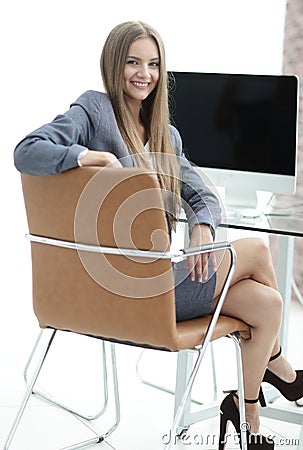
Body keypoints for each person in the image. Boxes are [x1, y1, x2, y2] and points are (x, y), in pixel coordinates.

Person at [14, 20, 303, 449]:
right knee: (259, 250)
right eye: (132, 62)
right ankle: (281, 372)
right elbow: (27, 150)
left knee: (268, 303)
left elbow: (202, 192)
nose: (143, 74)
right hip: (129, 288)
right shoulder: (93, 110)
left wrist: (203, 228)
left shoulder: (167, 136)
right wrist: (95, 156)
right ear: (114, 64)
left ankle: (249, 416)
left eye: (152, 64)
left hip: (155, 283)